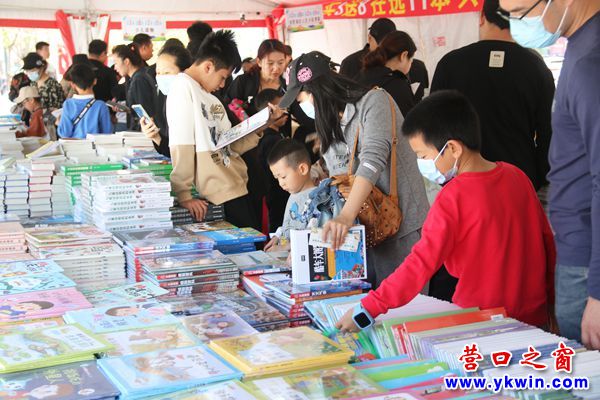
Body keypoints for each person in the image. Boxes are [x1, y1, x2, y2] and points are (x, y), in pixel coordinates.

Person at [335, 91, 556, 332]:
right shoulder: (517, 177)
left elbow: (419, 264)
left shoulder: (453, 197)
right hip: (534, 317)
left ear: (452, 148)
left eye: (423, 155)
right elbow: (547, 245)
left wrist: (367, 308)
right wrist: (552, 308)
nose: (422, 164)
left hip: (481, 321)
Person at [279, 51, 429, 287]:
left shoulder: (374, 102)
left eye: (301, 99)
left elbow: (372, 160)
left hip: (400, 225)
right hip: (363, 231)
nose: (302, 107)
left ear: (317, 89)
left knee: (403, 302)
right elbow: (335, 175)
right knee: (367, 302)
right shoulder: (329, 121)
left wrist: (346, 216)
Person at [499, 0, 600, 348]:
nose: (515, 24)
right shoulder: (581, 43)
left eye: (520, 12)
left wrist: (597, 293)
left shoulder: (590, 63)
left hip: (586, 263)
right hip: (577, 249)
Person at [431, 0, 554, 191]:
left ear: (482, 16)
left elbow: (434, 128)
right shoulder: (536, 67)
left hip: (465, 181)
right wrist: (537, 177)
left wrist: (447, 179)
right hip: (520, 180)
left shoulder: (450, 64)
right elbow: (548, 133)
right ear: (519, 18)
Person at [166, 30, 283, 228]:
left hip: (236, 184)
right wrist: (183, 194)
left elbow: (230, 145)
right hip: (218, 192)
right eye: (222, 77)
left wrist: (263, 124)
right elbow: (181, 144)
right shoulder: (182, 88)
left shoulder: (209, 96)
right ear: (208, 66)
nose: (222, 85)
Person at [339, 19, 430, 101]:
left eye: (389, 43)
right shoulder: (350, 63)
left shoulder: (417, 67)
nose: (385, 47)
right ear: (370, 38)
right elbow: (342, 101)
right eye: (381, 43)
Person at [141, 43, 193, 157]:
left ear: (184, 72)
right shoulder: (165, 98)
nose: (161, 77)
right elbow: (172, 151)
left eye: (167, 73)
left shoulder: (194, 102)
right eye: (158, 73)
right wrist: (156, 137)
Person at [264, 139, 316, 252]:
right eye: (277, 178)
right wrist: (278, 236)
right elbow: (289, 223)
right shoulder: (293, 194)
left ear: (302, 169)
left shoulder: (318, 198)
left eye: (283, 177)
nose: (281, 183)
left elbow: (313, 234)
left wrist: (284, 248)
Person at [255, 89, 291, 233]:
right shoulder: (270, 140)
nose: (286, 112)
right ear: (269, 110)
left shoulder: (277, 135)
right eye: (281, 107)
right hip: (276, 194)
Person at [359, 31, 417, 117]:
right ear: (404, 55)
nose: (411, 64)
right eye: (411, 60)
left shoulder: (363, 75)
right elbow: (410, 121)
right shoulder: (398, 85)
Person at [57, 64, 112, 139]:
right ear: (95, 81)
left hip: (74, 146)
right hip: (94, 146)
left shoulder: (68, 104)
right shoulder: (101, 106)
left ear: (72, 84)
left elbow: (65, 133)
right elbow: (107, 134)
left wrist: (59, 123)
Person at [111, 43, 157, 131]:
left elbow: (145, 111)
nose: (115, 68)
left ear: (126, 61)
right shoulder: (136, 78)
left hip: (143, 131)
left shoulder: (139, 79)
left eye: (116, 63)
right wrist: (126, 109)